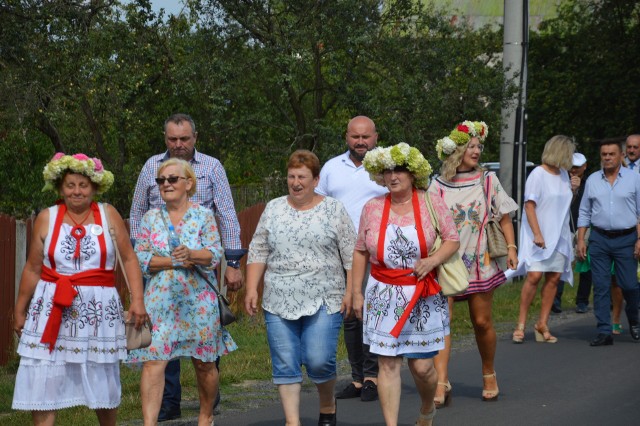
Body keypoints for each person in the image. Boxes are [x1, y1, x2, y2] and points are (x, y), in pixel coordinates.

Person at [12, 153, 147, 425]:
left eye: (83, 185)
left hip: (98, 310)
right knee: (44, 375)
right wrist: (19, 309)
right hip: (50, 308)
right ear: (60, 188)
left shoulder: (108, 214)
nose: (76, 191)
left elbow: (130, 258)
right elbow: (32, 268)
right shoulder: (46, 218)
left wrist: (138, 300)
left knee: (102, 377)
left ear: (95, 187)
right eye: (70, 185)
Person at [130, 113, 245, 420]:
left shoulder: (211, 167)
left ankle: (207, 411)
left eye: (184, 139)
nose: (178, 145)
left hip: (199, 281)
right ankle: (166, 408)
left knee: (203, 358)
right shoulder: (151, 169)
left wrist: (232, 262)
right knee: (157, 356)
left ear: (195, 138)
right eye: (172, 139)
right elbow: (137, 216)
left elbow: (227, 217)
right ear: (165, 139)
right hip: (159, 286)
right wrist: (143, 267)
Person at [245, 150, 355, 426]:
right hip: (278, 298)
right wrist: (251, 289)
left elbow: (352, 253)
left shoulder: (333, 209)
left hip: (325, 297)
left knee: (319, 360)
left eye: (302, 177)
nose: (296, 182)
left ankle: (327, 406)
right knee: (285, 362)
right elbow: (258, 249)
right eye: (291, 176)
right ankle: (292, 421)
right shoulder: (274, 208)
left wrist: (352, 291)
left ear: (315, 179)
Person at [353, 142, 459, 426]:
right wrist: (355, 292)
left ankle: (427, 407)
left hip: (422, 294)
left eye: (399, 170)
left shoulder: (430, 201)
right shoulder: (372, 207)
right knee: (387, 364)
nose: (393, 176)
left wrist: (432, 260)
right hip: (382, 294)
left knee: (423, 368)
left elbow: (452, 238)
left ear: (413, 174)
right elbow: (361, 249)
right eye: (387, 172)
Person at [429, 121, 518, 406]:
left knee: (481, 322)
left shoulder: (487, 180)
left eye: (479, 146)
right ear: (456, 150)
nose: (477, 151)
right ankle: (441, 381)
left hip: (481, 261)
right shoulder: (437, 184)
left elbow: (504, 217)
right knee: (444, 323)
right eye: (471, 146)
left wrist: (512, 247)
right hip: (448, 263)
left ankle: (488, 371)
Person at [316, 116, 387, 402]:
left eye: (366, 136)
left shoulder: (385, 166)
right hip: (340, 254)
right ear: (347, 137)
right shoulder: (332, 167)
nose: (361, 142)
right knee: (349, 314)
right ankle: (357, 378)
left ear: (375, 137)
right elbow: (319, 205)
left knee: (371, 313)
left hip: (376, 253)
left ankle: (374, 376)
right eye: (355, 137)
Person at [508, 135, 577, 344]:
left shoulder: (565, 174)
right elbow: (529, 205)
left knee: (554, 278)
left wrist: (574, 188)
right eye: (569, 153)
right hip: (538, 234)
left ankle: (542, 323)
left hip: (559, 235)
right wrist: (537, 234)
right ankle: (520, 324)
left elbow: (564, 204)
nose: (571, 158)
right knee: (534, 276)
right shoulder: (537, 174)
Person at [577, 139, 640, 346]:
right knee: (601, 286)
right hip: (600, 239)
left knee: (630, 285)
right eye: (604, 154)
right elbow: (584, 212)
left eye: (611, 154)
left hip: (627, 239)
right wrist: (581, 240)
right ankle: (604, 331)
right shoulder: (593, 180)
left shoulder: (634, 178)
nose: (607, 158)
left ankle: (634, 320)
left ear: (621, 156)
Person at [552, 153, 589, 313]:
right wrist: (572, 190)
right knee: (561, 261)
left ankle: (582, 300)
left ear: (584, 167)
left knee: (585, 262)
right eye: (571, 166)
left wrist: (579, 188)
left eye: (577, 167)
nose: (574, 170)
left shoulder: (590, 183)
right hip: (565, 226)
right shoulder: (560, 182)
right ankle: (556, 299)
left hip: (584, 227)